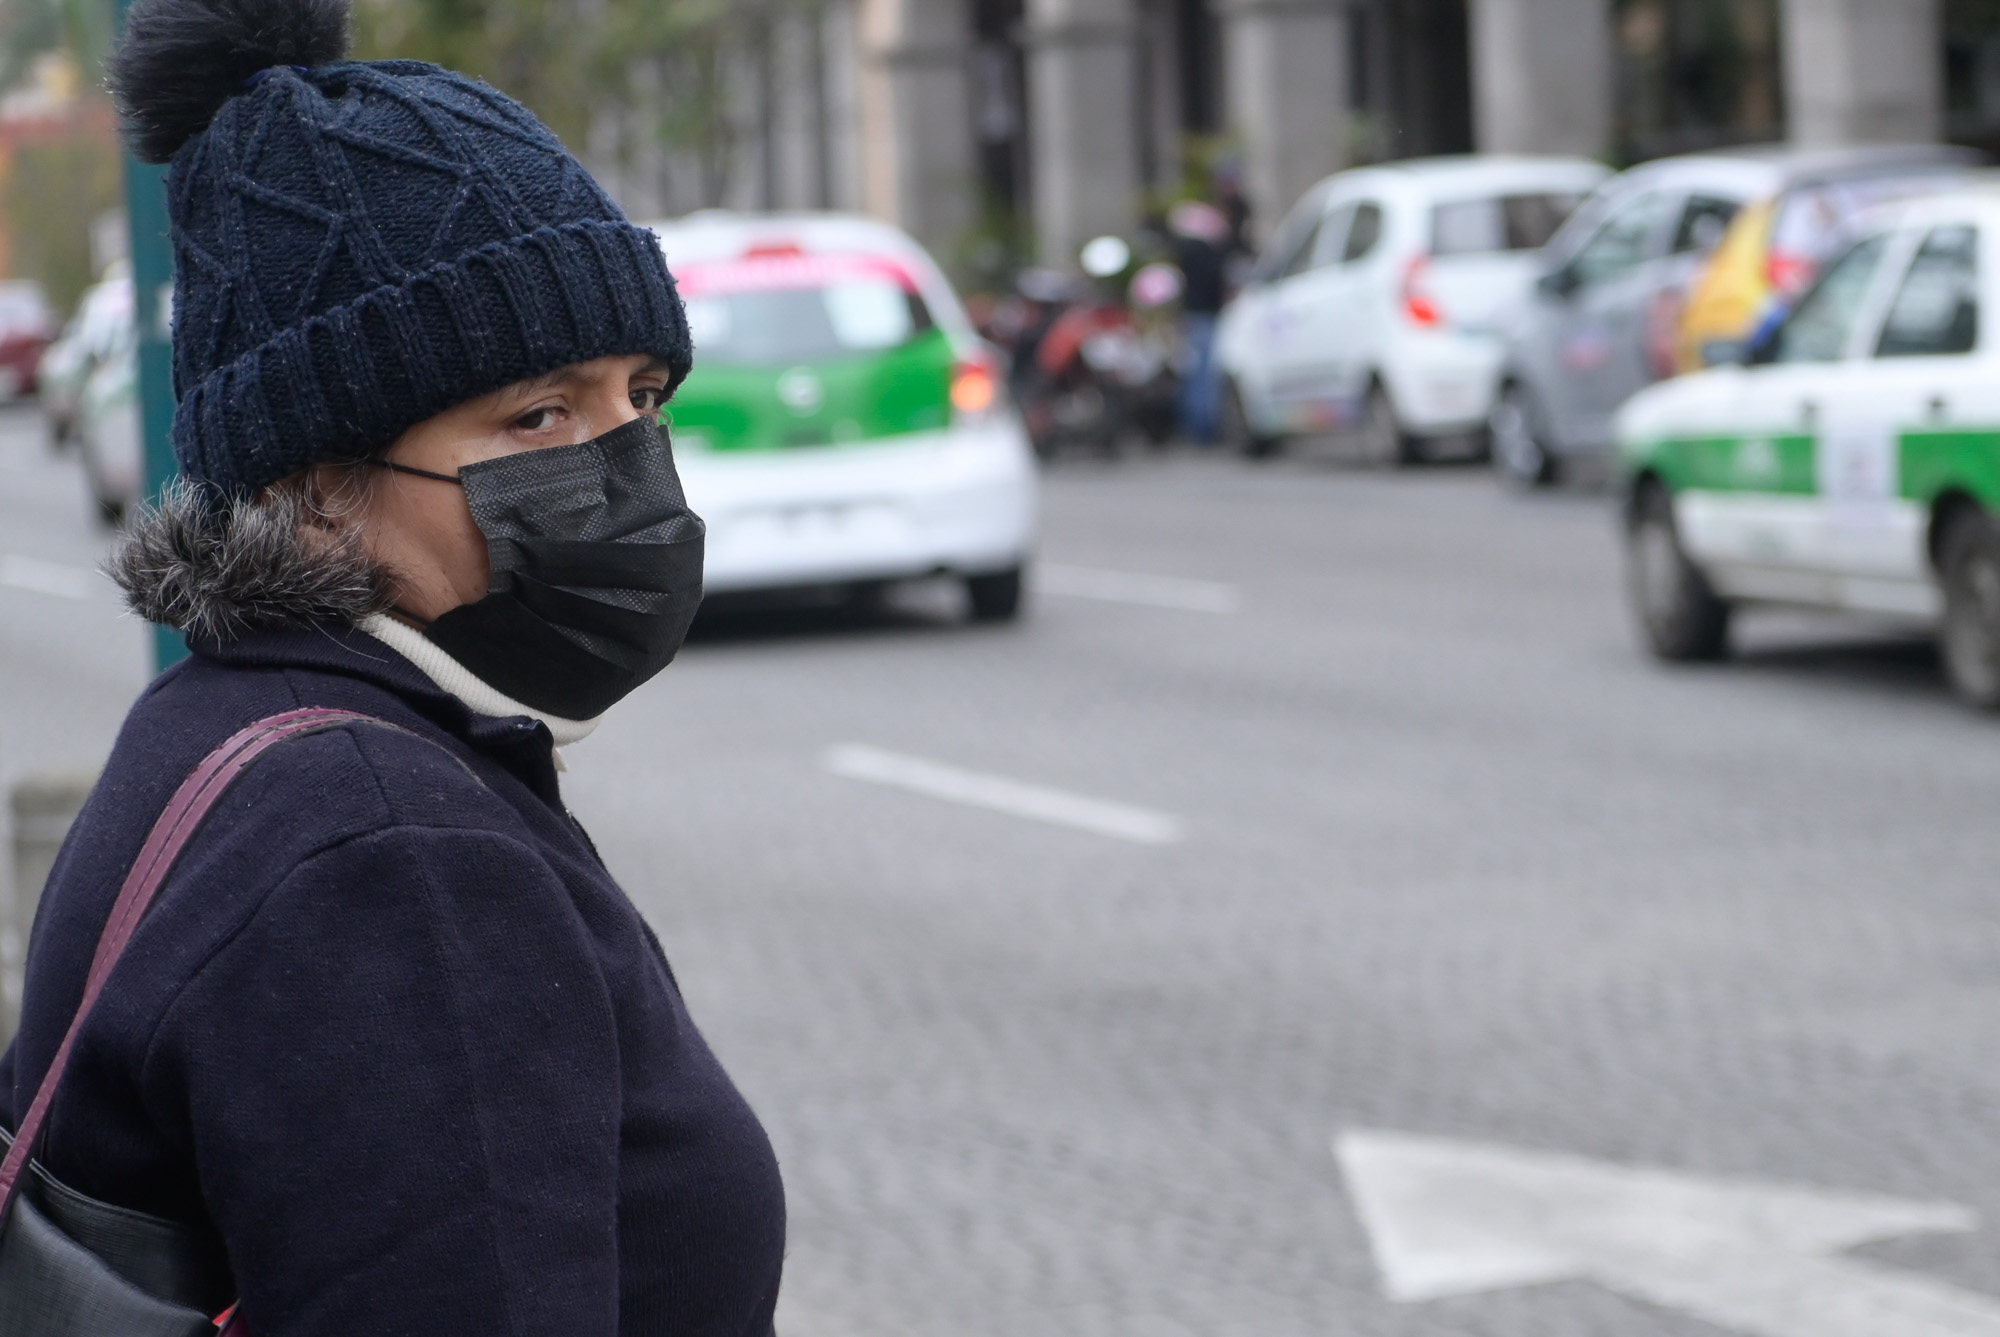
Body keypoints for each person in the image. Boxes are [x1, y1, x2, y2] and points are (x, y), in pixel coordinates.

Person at [0, 1, 785, 1333]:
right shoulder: (392, 853)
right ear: (313, 480)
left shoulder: (219, 729)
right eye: (537, 412)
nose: (627, 461)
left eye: (640, 397)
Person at [1167, 199, 1233, 446]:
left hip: (1192, 316)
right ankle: (1204, 429)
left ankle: (1193, 426)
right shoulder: (1204, 252)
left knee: (1194, 375)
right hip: (1206, 315)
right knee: (1205, 376)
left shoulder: (1183, 252)